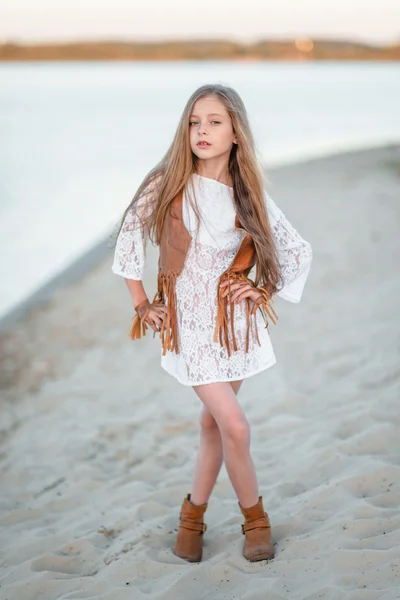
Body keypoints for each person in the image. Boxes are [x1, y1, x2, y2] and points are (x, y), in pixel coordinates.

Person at [112, 83, 312, 563]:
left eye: (214, 122)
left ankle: (192, 517)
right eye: (194, 121)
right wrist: (143, 304)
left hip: (234, 327)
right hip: (189, 327)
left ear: (236, 132)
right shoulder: (167, 180)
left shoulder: (248, 194)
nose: (202, 130)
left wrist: (261, 290)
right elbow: (128, 238)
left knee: (213, 425)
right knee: (236, 426)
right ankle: (254, 521)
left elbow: (296, 250)